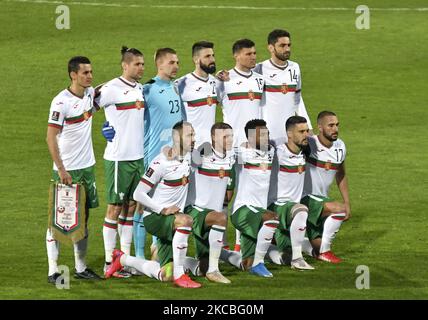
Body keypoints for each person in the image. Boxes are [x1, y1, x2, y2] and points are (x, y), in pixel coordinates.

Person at [46, 56, 101, 284]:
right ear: (73, 75)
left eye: (90, 72)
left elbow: (109, 88)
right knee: (58, 220)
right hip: (67, 171)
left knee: (84, 218)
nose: (90, 75)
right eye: (85, 72)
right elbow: (50, 137)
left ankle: (81, 267)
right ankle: (53, 270)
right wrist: (61, 169)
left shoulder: (89, 94)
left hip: (87, 168)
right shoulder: (61, 102)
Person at [127, 121, 201, 288]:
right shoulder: (161, 162)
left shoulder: (189, 156)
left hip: (171, 219)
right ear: (176, 138)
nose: (194, 139)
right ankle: (180, 274)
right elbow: (138, 193)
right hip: (155, 217)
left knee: (164, 275)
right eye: (190, 135)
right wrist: (163, 209)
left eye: (194, 135)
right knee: (186, 220)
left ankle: (123, 259)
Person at [96, 46, 145, 277]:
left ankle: (123, 259)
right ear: (125, 65)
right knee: (114, 208)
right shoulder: (111, 88)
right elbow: (87, 107)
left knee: (131, 207)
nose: (141, 68)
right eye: (137, 64)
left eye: (143, 64)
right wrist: (102, 128)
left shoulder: (141, 89)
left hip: (138, 157)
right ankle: (108, 261)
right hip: (118, 158)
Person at [217, 39, 265, 252]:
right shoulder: (224, 80)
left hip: (252, 149)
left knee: (246, 195)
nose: (253, 57)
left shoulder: (259, 80)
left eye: (255, 53)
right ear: (236, 56)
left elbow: (262, 112)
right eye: (248, 54)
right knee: (225, 196)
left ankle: (239, 244)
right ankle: (221, 243)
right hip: (229, 148)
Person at [183, 122, 235, 284]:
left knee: (201, 268)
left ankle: (180, 261)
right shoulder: (203, 153)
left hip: (211, 216)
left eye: (231, 136)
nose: (229, 140)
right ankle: (214, 270)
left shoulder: (231, 157)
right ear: (213, 137)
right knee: (220, 218)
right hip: (196, 211)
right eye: (225, 137)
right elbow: (184, 159)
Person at [301, 111, 351, 263]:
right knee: (339, 209)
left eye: (337, 125)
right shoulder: (308, 144)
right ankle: (325, 251)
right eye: (330, 125)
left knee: (315, 247)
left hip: (321, 201)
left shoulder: (340, 146)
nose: (335, 129)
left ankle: (293, 244)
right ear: (320, 127)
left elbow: (341, 174)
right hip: (305, 200)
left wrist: (347, 201)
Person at [231, 119, 279, 277]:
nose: (266, 137)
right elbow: (220, 154)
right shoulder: (241, 153)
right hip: (243, 211)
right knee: (272, 219)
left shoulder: (271, 151)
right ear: (250, 138)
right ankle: (259, 263)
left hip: (257, 212)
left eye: (267, 133)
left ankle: (225, 256)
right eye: (262, 135)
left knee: (245, 263)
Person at [267, 116, 314, 270]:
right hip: (278, 206)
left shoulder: (304, 152)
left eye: (307, 130)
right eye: (301, 131)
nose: (306, 134)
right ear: (289, 134)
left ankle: (266, 250)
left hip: (290, 213)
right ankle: (298, 259)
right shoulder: (277, 154)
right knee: (302, 210)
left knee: (283, 258)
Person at [253, 29, 313, 146]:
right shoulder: (259, 69)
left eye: (289, 45)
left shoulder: (295, 67)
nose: (287, 49)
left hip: (290, 132)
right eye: (282, 45)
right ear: (270, 48)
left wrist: (308, 126)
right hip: (267, 131)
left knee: (292, 163)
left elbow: (297, 99)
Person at [176, 41, 218, 148]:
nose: (212, 60)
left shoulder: (216, 82)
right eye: (207, 56)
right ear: (196, 60)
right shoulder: (181, 84)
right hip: (191, 146)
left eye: (213, 55)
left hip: (211, 146)